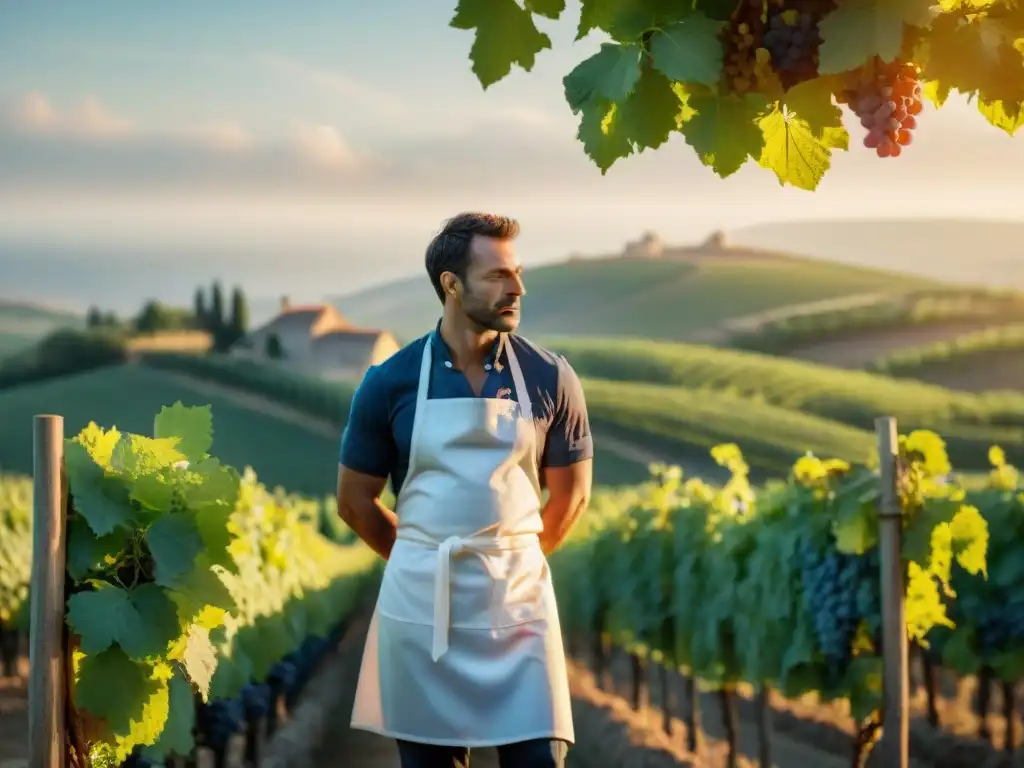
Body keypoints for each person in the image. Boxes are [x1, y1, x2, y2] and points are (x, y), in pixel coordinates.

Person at [337, 212, 594, 768]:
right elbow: (355, 502)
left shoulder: (552, 378)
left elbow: (570, 498)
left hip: (520, 608)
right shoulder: (389, 383)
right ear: (451, 285)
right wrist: (422, 563)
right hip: (424, 611)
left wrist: (509, 562)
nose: (517, 288)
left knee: (538, 762)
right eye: (499, 275)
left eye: (518, 273)